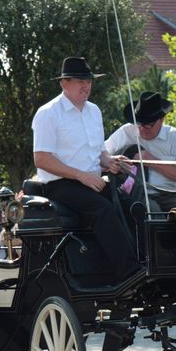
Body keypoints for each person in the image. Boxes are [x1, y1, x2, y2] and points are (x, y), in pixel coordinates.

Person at [32, 56, 141, 283]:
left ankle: (146, 265)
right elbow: (41, 159)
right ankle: (129, 275)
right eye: (80, 80)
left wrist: (110, 161)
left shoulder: (94, 111)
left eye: (89, 80)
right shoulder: (48, 113)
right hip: (61, 184)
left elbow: (98, 152)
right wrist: (80, 176)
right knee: (103, 210)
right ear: (64, 83)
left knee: (133, 207)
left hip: (92, 180)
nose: (86, 85)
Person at [105, 91, 176, 212]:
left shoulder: (175, 137)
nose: (142, 129)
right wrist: (113, 162)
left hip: (170, 193)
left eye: (148, 125)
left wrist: (151, 161)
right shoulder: (126, 132)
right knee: (152, 213)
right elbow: (100, 155)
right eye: (139, 124)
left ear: (161, 120)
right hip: (136, 193)